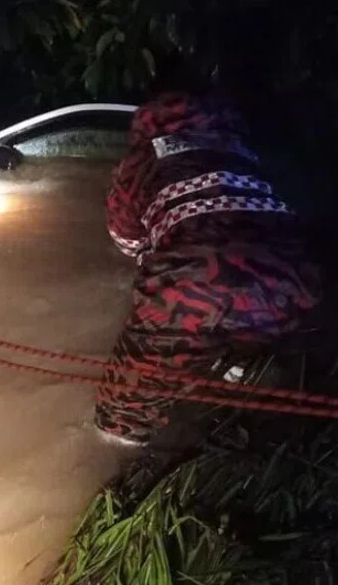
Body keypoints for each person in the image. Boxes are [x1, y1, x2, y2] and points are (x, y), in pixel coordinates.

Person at [93, 89, 322, 447]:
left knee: (125, 404)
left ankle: (122, 444)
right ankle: (240, 367)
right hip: (290, 275)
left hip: (193, 282)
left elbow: (125, 236)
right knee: (252, 329)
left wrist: (151, 257)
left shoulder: (140, 161)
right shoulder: (244, 146)